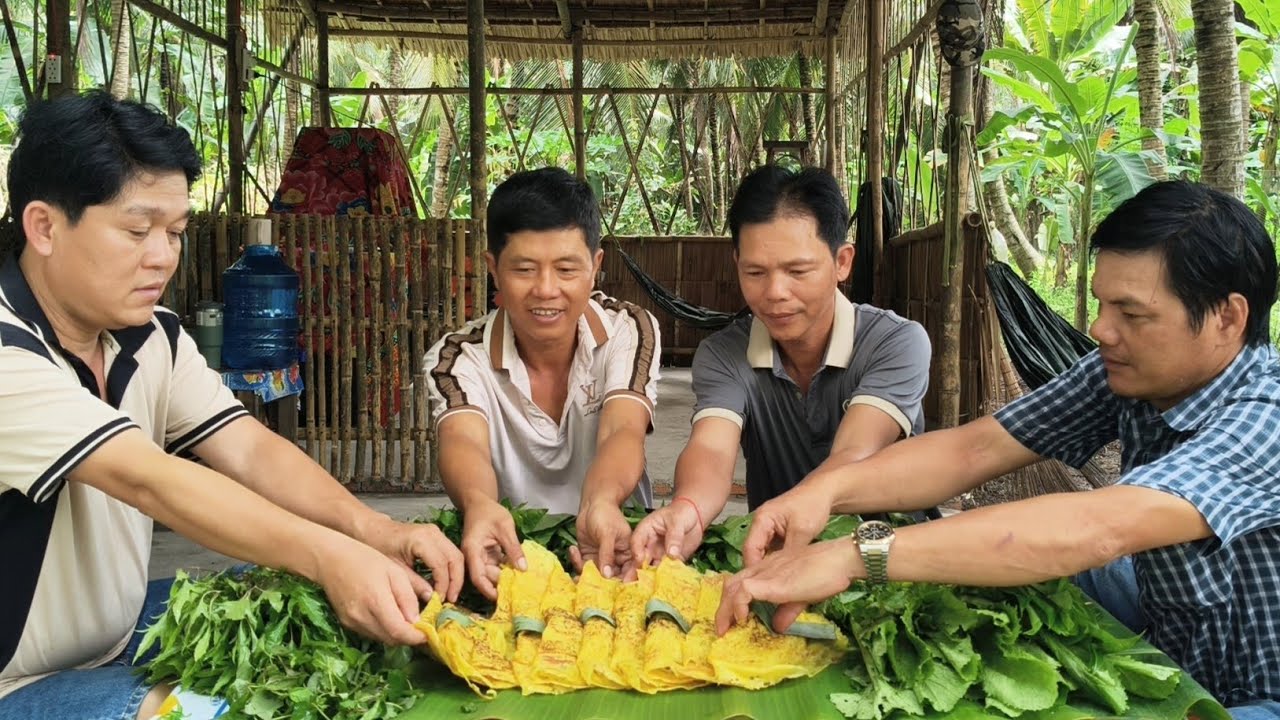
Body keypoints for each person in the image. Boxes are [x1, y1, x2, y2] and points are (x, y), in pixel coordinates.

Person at [714, 180, 1280, 719]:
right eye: (1102, 305)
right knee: (977, 568)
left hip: (1261, 688)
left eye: (1131, 314)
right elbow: (973, 451)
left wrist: (856, 554)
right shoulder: (1128, 372)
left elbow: (1100, 526)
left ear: (1228, 318)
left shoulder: (1265, 417)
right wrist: (821, 494)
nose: (1102, 331)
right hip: (1173, 620)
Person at [0, 91, 464, 720]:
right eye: (137, 231)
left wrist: (376, 533)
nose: (163, 256)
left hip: (116, 630)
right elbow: (153, 480)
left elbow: (246, 447)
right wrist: (330, 554)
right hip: (18, 680)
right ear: (44, 226)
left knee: (306, 614)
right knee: (236, 708)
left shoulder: (151, 333)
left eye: (175, 232)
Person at [630, 165, 930, 566]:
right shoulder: (723, 354)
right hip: (778, 564)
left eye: (797, 271)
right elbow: (712, 448)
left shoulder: (895, 342)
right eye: (755, 272)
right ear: (736, 263)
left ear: (842, 262)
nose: (775, 293)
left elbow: (854, 454)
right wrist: (689, 509)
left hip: (893, 566)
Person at [423, 167, 661, 598]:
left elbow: (622, 429)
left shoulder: (630, 328)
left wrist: (601, 504)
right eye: (525, 269)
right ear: (494, 269)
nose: (546, 290)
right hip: (513, 556)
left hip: (616, 546)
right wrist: (479, 507)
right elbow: (463, 442)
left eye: (567, 269)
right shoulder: (458, 358)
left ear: (595, 267)